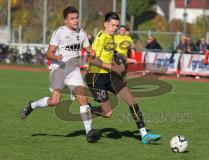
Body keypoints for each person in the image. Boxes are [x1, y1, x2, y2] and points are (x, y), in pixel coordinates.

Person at [20, 6, 100, 143]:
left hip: (74, 71)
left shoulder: (82, 33)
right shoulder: (59, 33)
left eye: (76, 18)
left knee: (83, 99)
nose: (75, 21)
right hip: (59, 69)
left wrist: (91, 52)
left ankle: (89, 131)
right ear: (66, 21)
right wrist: (55, 57)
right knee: (54, 101)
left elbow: (88, 49)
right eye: (72, 18)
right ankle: (32, 105)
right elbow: (48, 53)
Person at [85, 12, 161, 144]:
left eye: (117, 25)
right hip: (96, 77)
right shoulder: (100, 37)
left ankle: (144, 135)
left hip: (111, 76)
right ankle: (89, 111)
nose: (115, 28)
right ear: (105, 24)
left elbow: (113, 52)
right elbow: (91, 59)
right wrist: (114, 68)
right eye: (113, 25)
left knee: (132, 101)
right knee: (108, 113)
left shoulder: (111, 37)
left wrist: (127, 58)